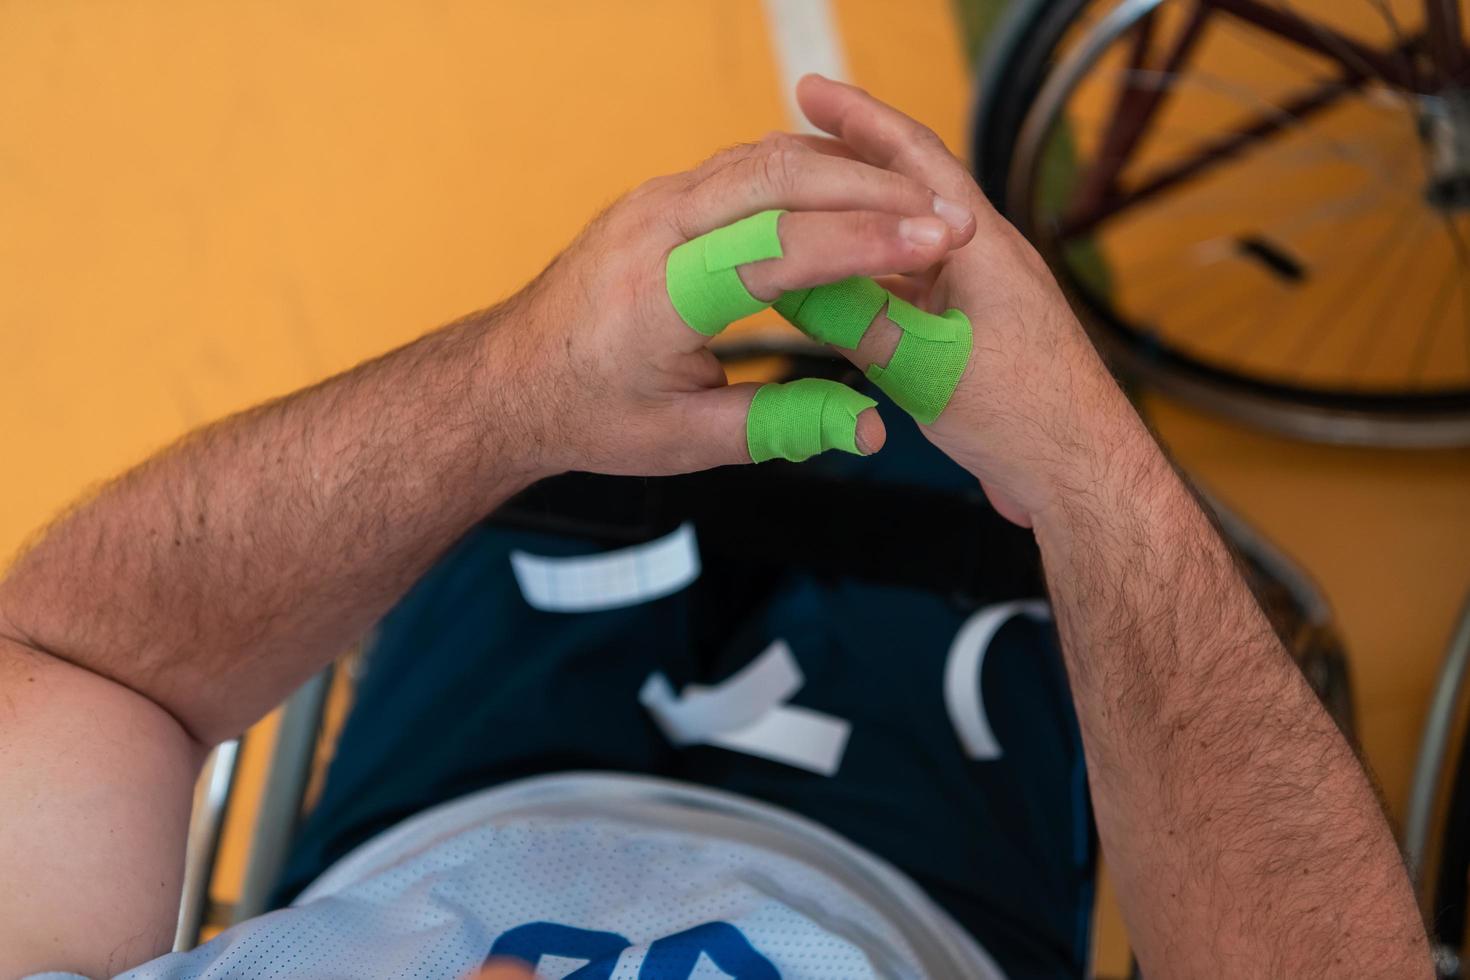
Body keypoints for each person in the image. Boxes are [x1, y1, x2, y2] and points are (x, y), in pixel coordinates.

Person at [0, 76, 1430, 980]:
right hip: (916, 869)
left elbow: (80, 672)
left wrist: (510, 386)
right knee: (937, 425)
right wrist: (1091, 477)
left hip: (456, 794)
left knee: (658, 409)